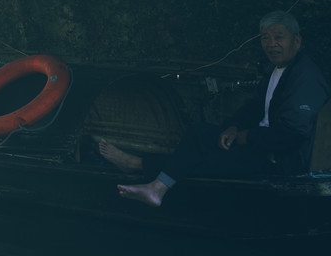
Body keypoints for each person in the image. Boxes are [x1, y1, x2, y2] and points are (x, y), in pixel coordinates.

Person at [103, 10, 330, 207]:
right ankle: (156, 186)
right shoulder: (276, 69)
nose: (271, 44)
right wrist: (234, 127)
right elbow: (255, 107)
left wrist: (247, 137)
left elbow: (294, 132)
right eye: (265, 38)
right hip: (258, 145)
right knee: (199, 133)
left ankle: (139, 168)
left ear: (296, 41)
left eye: (279, 37)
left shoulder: (305, 77)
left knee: (207, 161)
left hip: (278, 161)